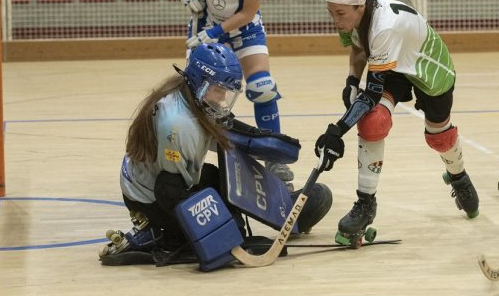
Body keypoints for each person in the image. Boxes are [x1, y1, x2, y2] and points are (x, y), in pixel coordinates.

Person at [99, 43, 332, 268]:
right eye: (219, 90)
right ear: (201, 83)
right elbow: (168, 191)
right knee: (206, 188)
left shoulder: (189, 95)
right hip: (151, 199)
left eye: (227, 92)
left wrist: (260, 142)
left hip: (149, 182)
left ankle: (282, 211)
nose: (222, 99)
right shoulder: (179, 125)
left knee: (216, 176)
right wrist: (229, 240)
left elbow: (218, 136)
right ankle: (162, 236)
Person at [314, 0, 479, 246]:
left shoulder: (384, 28)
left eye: (340, 14)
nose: (336, 20)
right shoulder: (350, 15)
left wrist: (337, 130)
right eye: (331, 13)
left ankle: (458, 175)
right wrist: (352, 81)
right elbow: (357, 48)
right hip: (393, 64)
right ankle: (366, 203)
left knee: (438, 137)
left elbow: (371, 94)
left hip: (428, 68)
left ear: (360, 6)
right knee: (372, 122)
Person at [168, 0, 294, 187]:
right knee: (197, 91)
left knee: (262, 88)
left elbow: (248, 13)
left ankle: (275, 160)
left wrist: (213, 33)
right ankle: (190, 156)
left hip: (244, 28)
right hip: (207, 23)